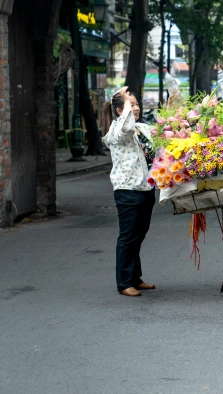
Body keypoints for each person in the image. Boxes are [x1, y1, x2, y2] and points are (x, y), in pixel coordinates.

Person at [101, 87, 157, 297]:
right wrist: (123, 100)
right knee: (128, 236)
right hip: (127, 190)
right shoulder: (116, 131)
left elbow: (163, 139)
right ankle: (124, 283)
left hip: (146, 188)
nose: (135, 108)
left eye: (135, 104)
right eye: (130, 104)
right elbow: (126, 128)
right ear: (119, 110)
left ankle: (135, 277)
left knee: (138, 235)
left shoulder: (142, 128)